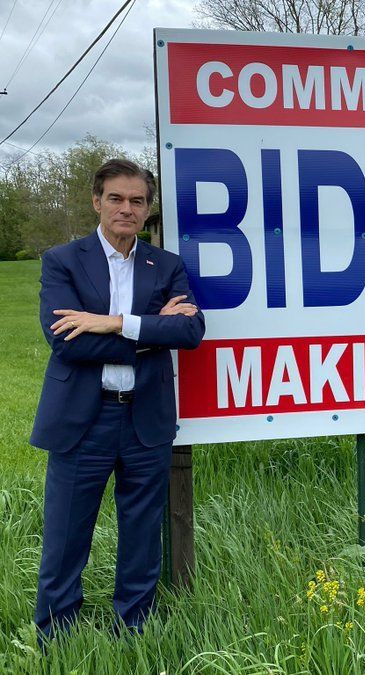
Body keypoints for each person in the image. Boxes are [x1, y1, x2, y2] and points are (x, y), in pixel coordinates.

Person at [30, 158, 205, 645]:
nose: (126, 208)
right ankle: (56, 638)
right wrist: (151, 329)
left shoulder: (165, 265)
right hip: (82, 421)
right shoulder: (63, 260)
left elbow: (189, 331)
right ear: (97, 202)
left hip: (145, 418)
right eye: (116, 198)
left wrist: (111, 322)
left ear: (147, 209)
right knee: (66, 535)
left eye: (137, 201)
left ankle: (134, 629)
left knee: (143, 534)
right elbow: (67, 341)